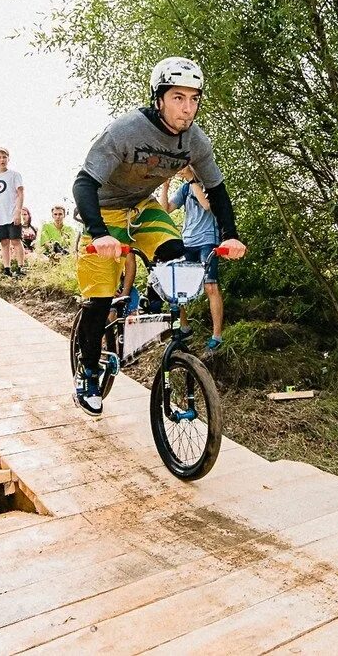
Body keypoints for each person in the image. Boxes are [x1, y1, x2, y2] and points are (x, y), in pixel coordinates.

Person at [71, 56, 247, 415]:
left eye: (194, 98)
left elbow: (216, 189)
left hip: (141, 205)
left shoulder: (195, 141)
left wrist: (229, 235)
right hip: (103, 210)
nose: (187, 108)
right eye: (178, 98)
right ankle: (87, 372)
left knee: (175, 252)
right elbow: (84, 182)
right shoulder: (126, 130)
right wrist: (100, 233)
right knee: (100, 298)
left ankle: (151, 310)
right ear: (159, 98)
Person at [160, 165, 224, 351]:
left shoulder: (210, 184)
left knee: (211, 286)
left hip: (208, 241)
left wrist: (191, 179)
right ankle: (185, 328)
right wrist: (164, 187)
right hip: (187, 242)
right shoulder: (185, 189)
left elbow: (206, 205)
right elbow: (166, 210)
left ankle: (217, 336)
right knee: (175, 287)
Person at [0, 147, 25, 276]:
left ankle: (21, 267)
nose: (2, 160)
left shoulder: (14, 175)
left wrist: (18, 211)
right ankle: (6, 268)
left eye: (4, 157)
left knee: (16, 241)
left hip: (12, 214)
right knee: (4, 242)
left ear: (8, 158)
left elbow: (20, 193)